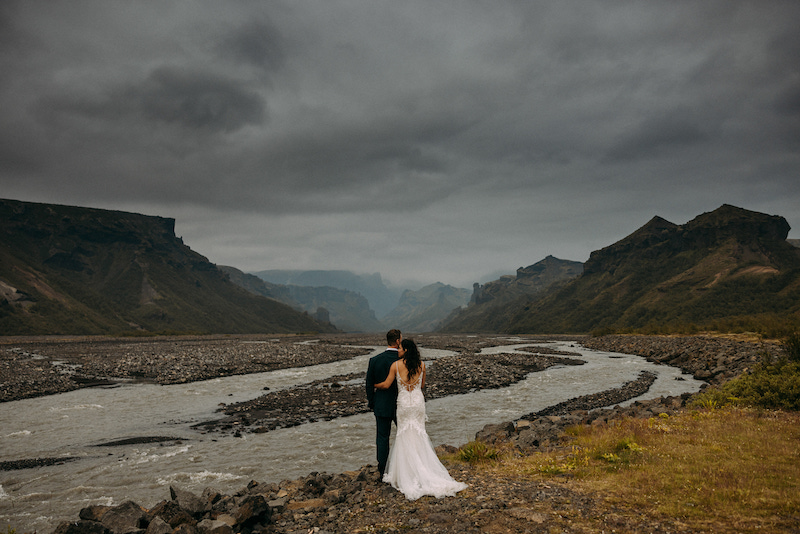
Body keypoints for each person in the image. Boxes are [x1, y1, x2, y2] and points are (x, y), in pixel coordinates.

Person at [374, 338, 468, 500]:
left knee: (404, 433)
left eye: (401, 348)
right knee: (419, 433)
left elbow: (387, 384)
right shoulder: (422, 365)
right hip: (417, 401)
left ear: (406, 350)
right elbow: (422, 385)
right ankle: (423, 467)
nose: (398, 350)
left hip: (403, 402)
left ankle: (407, 471)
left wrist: (374, 385)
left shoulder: (395, 365)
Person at [365, 329, 402, 478]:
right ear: (398, 341)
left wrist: (372, 403)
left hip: (382, 404)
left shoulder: (375, 360)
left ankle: (382, 470)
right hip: (402, 404)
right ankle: (406, 467)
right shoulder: (403, 361)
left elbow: (369, 385)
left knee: (382, 438)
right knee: (405, 435)